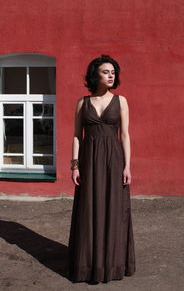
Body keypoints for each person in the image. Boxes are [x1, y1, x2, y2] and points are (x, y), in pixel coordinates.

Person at [68, 54, 136, 283]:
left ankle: (112, 263)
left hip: (114, 160)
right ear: (94, 74)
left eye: (113, 72)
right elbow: (77, 136)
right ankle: (88, 265)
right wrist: (74, 166)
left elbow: (125, 134)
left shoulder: (121, 101)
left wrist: (127, 166)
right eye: (106, 71)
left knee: (115, 209)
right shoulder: (82, 102)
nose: (110, 75)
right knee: (89, 209)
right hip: (89, 161)